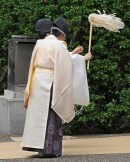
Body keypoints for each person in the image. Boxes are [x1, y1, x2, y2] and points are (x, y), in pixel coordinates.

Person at [21, 24, 91, 157]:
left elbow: (55, 59)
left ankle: (35, 146)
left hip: (37, 80)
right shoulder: (60, 45)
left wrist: (73, 53)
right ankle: (49, 150)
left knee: (37, 115)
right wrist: (82, 59)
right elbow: (64, 65)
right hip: (51, 81)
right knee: (53, 112)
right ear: (62, 35)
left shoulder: (40, 43)